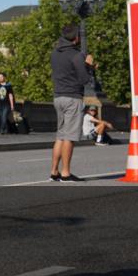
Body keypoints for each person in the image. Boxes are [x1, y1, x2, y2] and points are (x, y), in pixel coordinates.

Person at [49, 24, 94, 182]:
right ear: (76, 38)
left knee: (60, 136)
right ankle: (66, 173)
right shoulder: (77, 55)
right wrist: (89, 66)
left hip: (58, 97)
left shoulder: (55, 53)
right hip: (72, 97)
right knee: (70, 137)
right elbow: (84, 79)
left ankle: (54, 172)